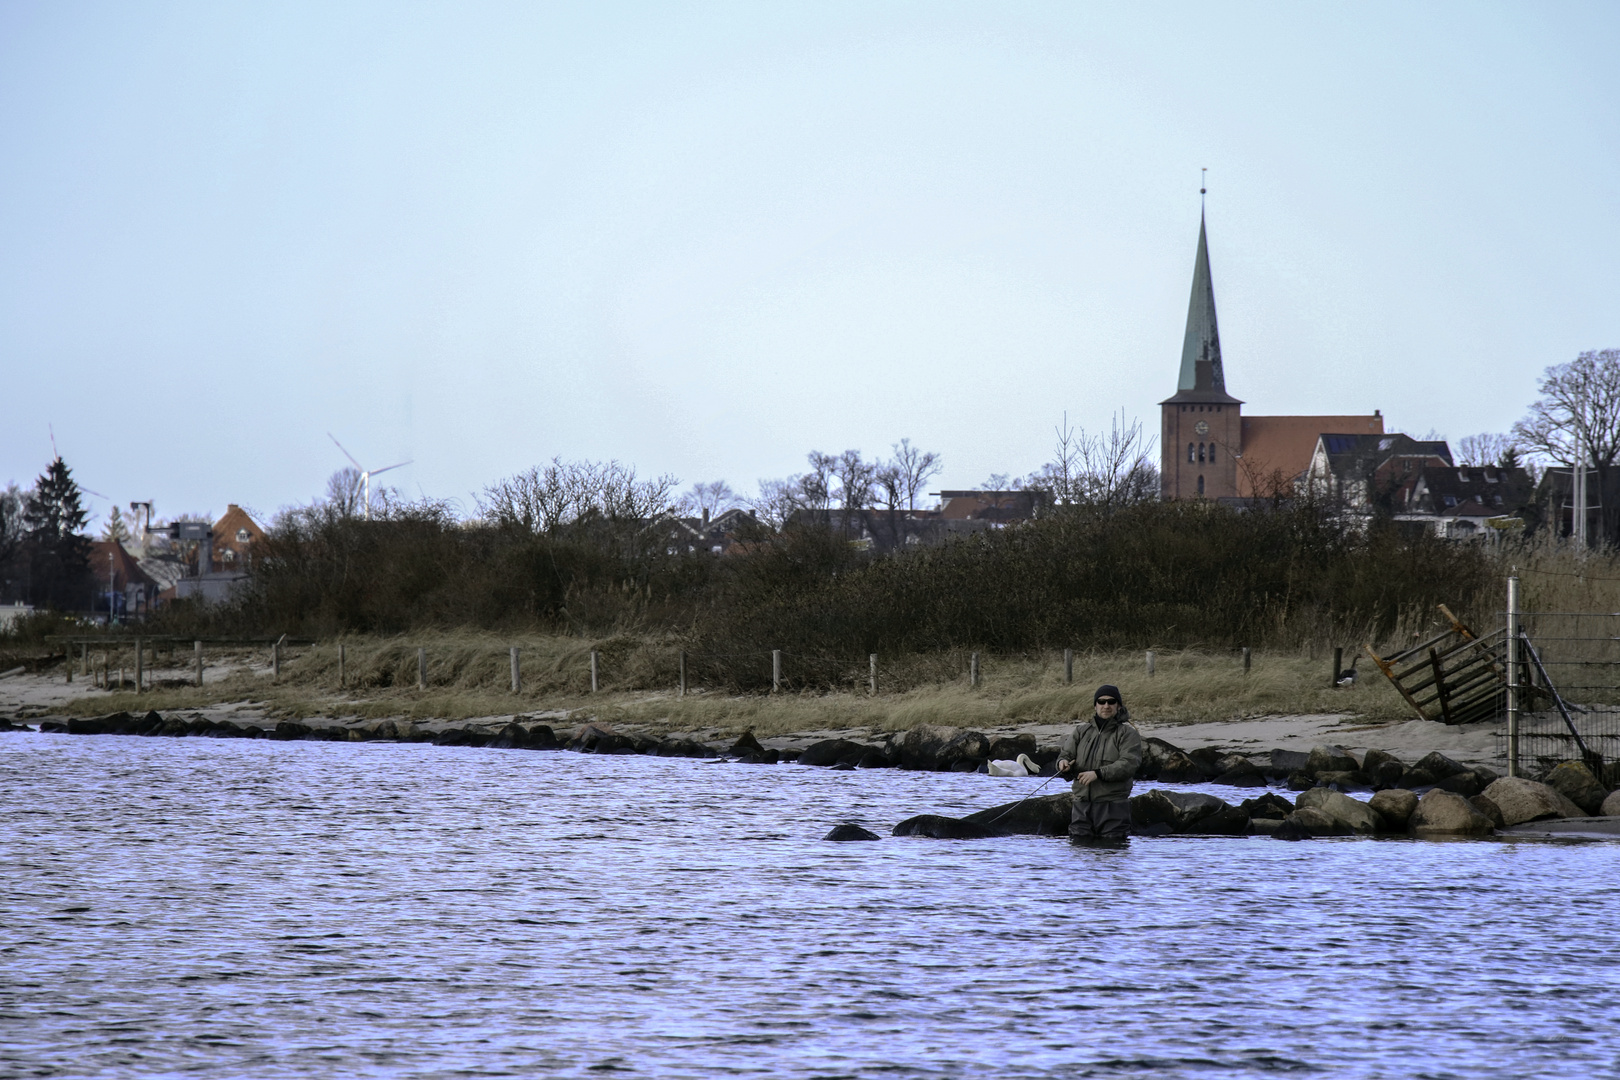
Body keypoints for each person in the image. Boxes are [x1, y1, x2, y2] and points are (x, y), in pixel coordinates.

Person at [1056, 684, 1142, 843]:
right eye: (1101, 702)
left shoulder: (1128, 734)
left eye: (1111, 702)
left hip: (1113, 807)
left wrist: (1098, 773)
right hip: (1081, 806)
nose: (1106, 706)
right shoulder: (1081, 731)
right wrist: (1063, 763)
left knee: (1112, 854)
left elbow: (1129, 763)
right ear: (1095, 706)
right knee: (1079, 856)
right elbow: (1065, 754)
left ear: (1119, 705)